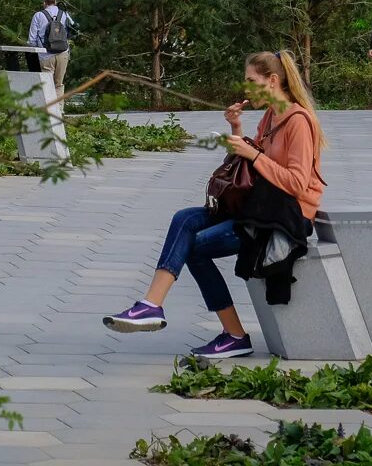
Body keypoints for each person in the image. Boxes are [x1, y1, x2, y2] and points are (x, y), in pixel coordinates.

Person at [103, 50, 326, 359]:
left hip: (286, 218)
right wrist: (237, 130)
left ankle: (234, 334)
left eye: (252, 81)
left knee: (196, 247)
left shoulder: (298, 121)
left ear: (272, 81)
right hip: (260, 206)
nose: (246, 89)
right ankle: (152, 304)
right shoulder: (270, 116)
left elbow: (297, 183)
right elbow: (252, 167)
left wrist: (254, 155)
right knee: (185, 218)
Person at [26, 0, 75, 91]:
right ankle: (58, 106)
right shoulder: (64, 14)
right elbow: (73, 29)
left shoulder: (38, 15)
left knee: (47, 86)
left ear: (44, 3)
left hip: (46, 55)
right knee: (58, 85)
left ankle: (48, 106)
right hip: (63, 54)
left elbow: (32, 40)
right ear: (55, 2)